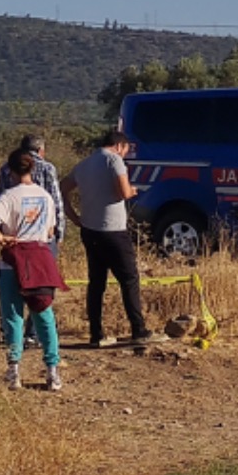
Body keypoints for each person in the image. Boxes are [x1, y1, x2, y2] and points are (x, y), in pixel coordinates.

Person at [63, 130, 153, 347]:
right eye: (126, 150)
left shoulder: (84, 164)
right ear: (120, 146)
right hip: (113, 230)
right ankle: (138, 329)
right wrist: (132, 190)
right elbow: (122, 192)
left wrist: (74, 217)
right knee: (129, 279)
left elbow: (61, 188)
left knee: (96, 283)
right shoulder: (114, 161)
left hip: (89, 229)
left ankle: (96, 333)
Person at [0, 149, 63, 391]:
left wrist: (1, 238)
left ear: (10, 170)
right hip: (40, 260)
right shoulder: (45, 197)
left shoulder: (9, 196)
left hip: (13, 263)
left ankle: (14, 371)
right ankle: (52, 372)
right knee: (44, 316)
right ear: (33, 170)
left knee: (13, 317)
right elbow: (51, 231)